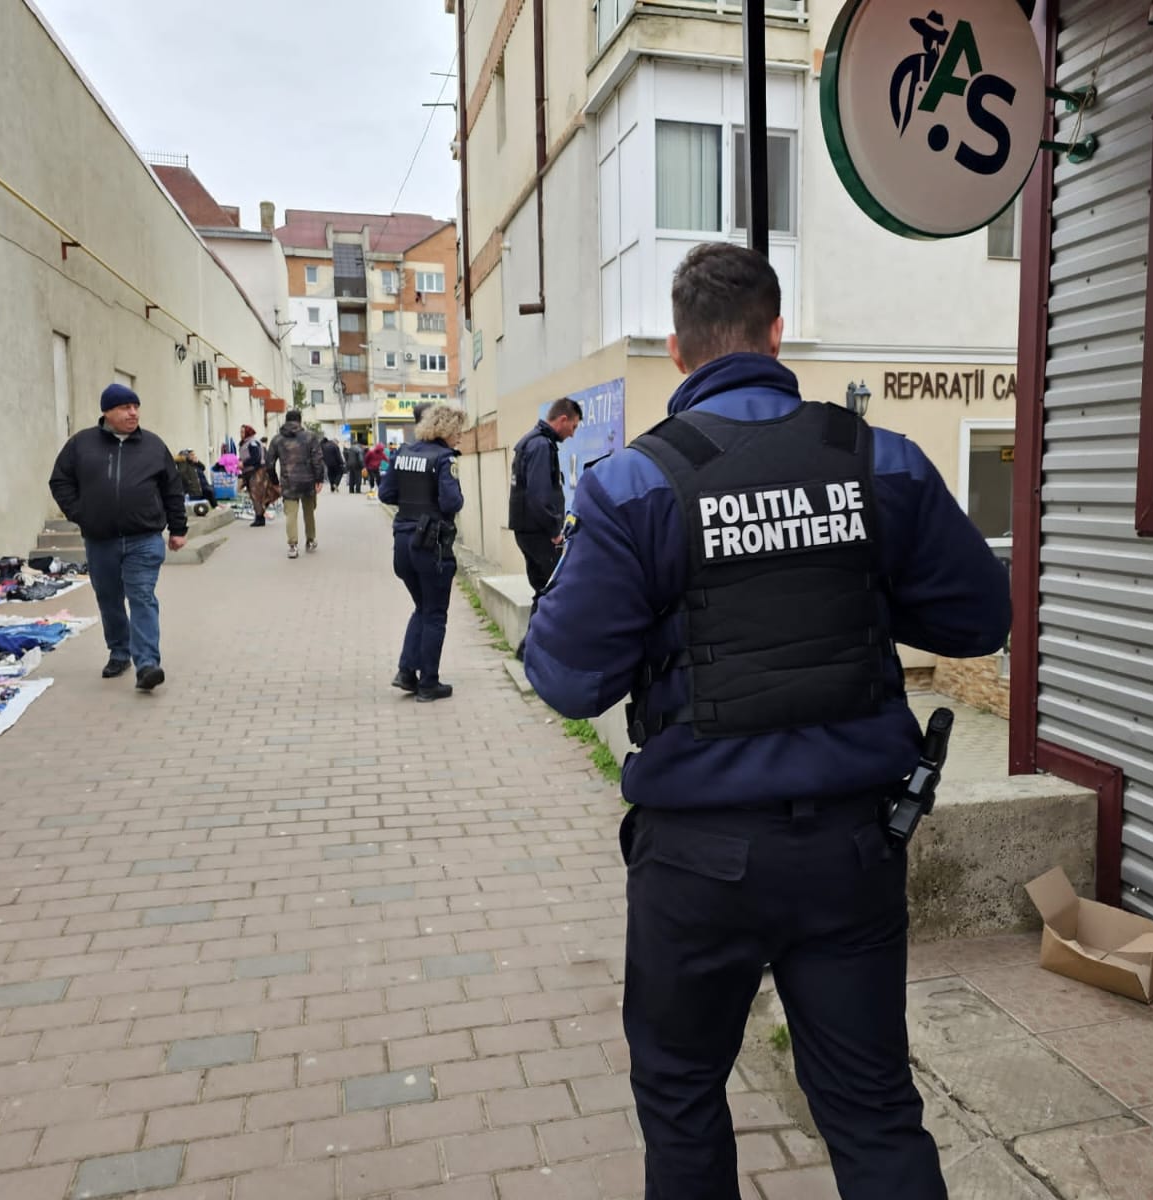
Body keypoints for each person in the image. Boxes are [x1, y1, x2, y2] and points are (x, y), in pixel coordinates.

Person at [523, 243, 1011, 1200]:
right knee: (873, 1110)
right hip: (853, 852)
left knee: (682, 1097)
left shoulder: (631, 484)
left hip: (697, 860)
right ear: (776, 333)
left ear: (678, 350)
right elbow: (978, 619)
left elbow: (568, 679)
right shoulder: (882, 459)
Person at [48, 383, 189, 692]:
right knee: (109, 598)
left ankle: (147, 664)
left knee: (142, 597)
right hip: (101, 540)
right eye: (125, 407)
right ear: (107, 412)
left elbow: (172, 488)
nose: (133, 413)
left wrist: (178, 528)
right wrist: (81, 513)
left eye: (135, 407)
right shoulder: (81, 444)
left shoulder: (153, 446)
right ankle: (119, 652)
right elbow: (60, 481)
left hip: (144, 538)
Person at [380, 405, 466, 702]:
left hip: (403, 541)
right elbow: (452, 502)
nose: (460, 437)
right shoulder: (444, 458)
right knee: (435, 614)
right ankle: (429, 682)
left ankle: (406, 672)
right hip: (431, 544)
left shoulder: (403, 453)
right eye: (458, 431)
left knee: (422, 607)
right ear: (447, 430)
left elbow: (386, 494)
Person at [508, 397, 582, 594]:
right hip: (539, 534)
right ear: (563, 419)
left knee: (543, 591)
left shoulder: (532, 441)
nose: (572, 434)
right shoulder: (541, 445)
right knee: (556, 591)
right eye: (573, 427)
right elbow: (539, 495)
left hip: (528, 531)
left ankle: (537, 616)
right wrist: (554, 532)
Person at [266, 409, 326, 558]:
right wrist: (319, 479)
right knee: (309, 512)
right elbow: (317, 460)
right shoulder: (310, 437)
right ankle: (310, 540)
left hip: (288, 482)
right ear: (300, 420)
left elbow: (269, 463)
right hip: (308, 481)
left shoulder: (277, 439)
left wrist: (274, 482)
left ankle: (292, 546)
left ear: (286, 420)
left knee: (291, 514)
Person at [238, 425, 271, 527]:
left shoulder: (252, 443)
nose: (241, 434)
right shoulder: (246, 443)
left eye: (243, 432)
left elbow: (256, 458)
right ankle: (259, 516)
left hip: (256, 472)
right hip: (249, 472)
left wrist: (244, 463)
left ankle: (260, 517)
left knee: (256, 494)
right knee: (254, 495)